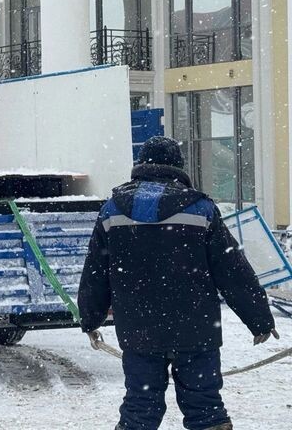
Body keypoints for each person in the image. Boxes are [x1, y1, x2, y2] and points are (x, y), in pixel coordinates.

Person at [78, 136, 278, 430]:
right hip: (196, 329)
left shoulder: (112, 211)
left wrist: (90, 318)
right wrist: (258, 317)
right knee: (205, 408)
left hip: (139, 330)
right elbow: (232, 269)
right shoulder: (201, 209)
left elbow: (96, 271)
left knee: (140, 408)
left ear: (141, 165)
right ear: (178, 167)